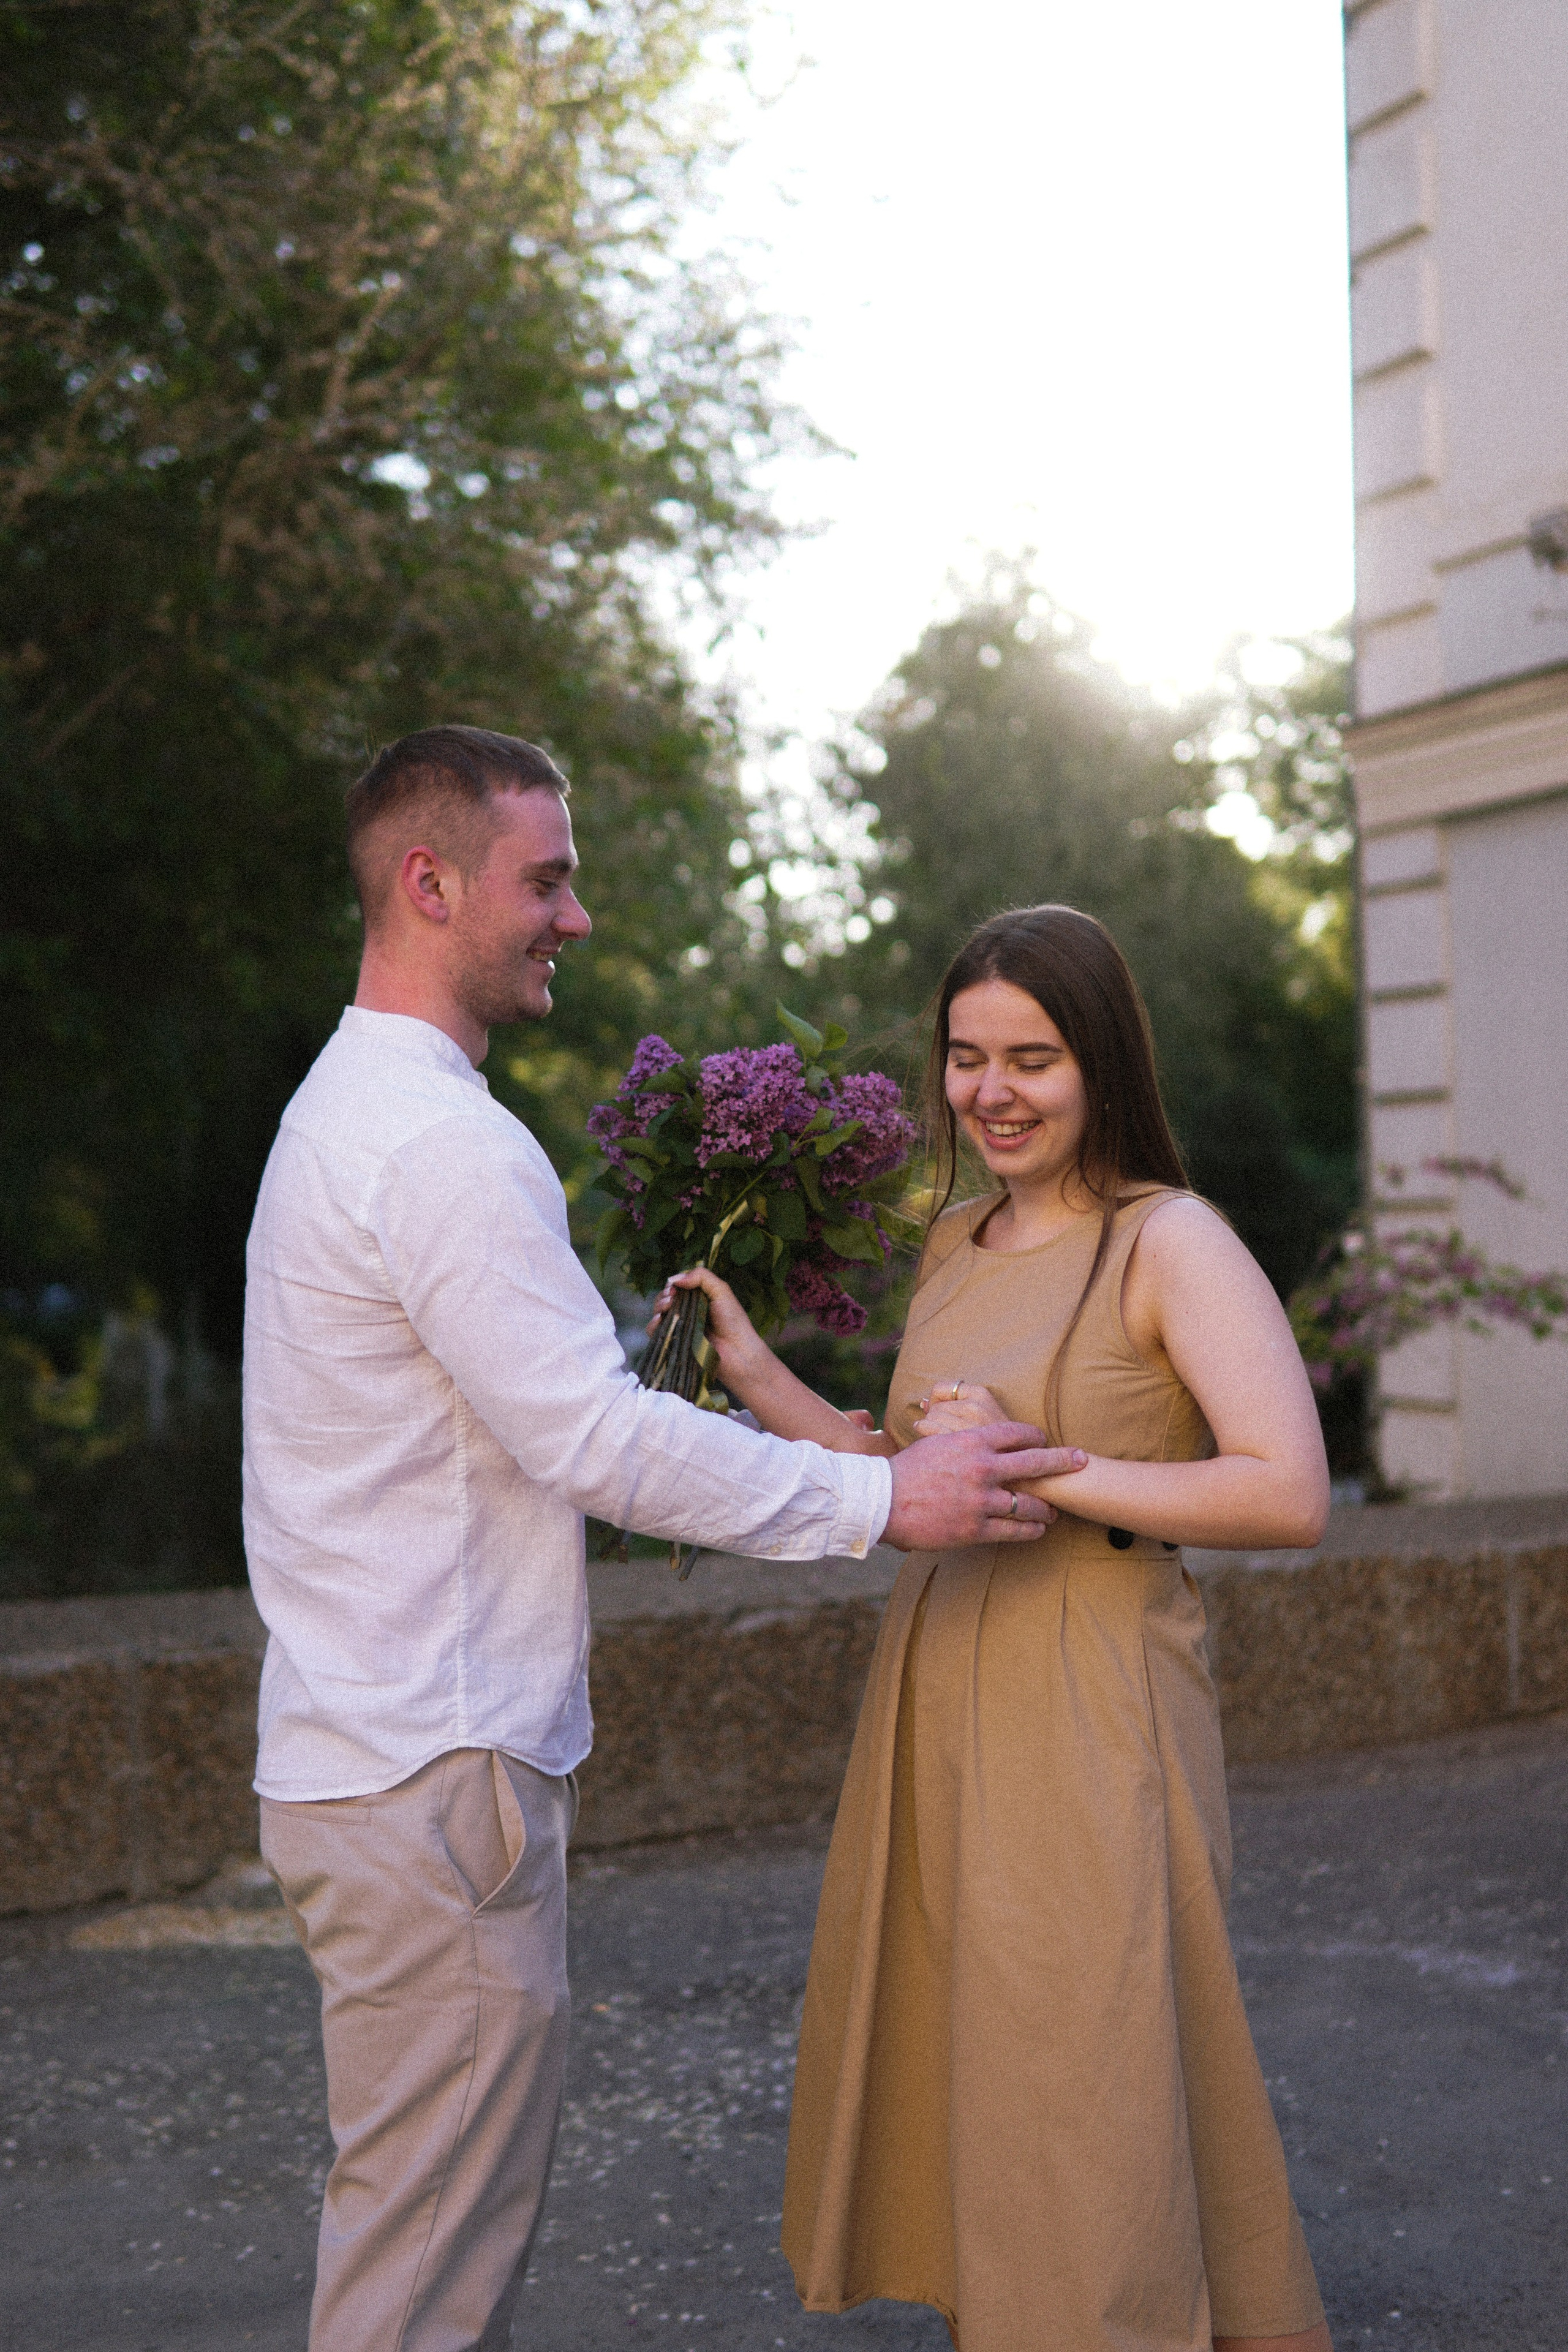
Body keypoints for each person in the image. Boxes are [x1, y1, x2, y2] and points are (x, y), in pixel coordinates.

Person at [244, 726, 1081, 2352]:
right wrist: (884, 1501)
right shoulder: (437, 1145)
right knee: (423, 2280)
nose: (575, 916)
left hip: (370, 1756)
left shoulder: (349, 1112)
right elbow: (592, 1442)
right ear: (430, 883)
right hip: (432, 1773)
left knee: (413, 2234)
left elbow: (525, 1409)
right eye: (545, 881)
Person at [657, 902, 1335, 2352]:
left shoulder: (1168, 1241)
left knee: (1093, 2074)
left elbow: (1285, 1492)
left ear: (1100, 1060)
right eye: (967, 1058)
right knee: (982, 2074)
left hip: (1092, 1702)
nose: (991, 1092)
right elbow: (910, 1473)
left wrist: (1048, 1467)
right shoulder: (956, 1241)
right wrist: (755, 1373)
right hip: (938, 1701)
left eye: (1031, 1058)